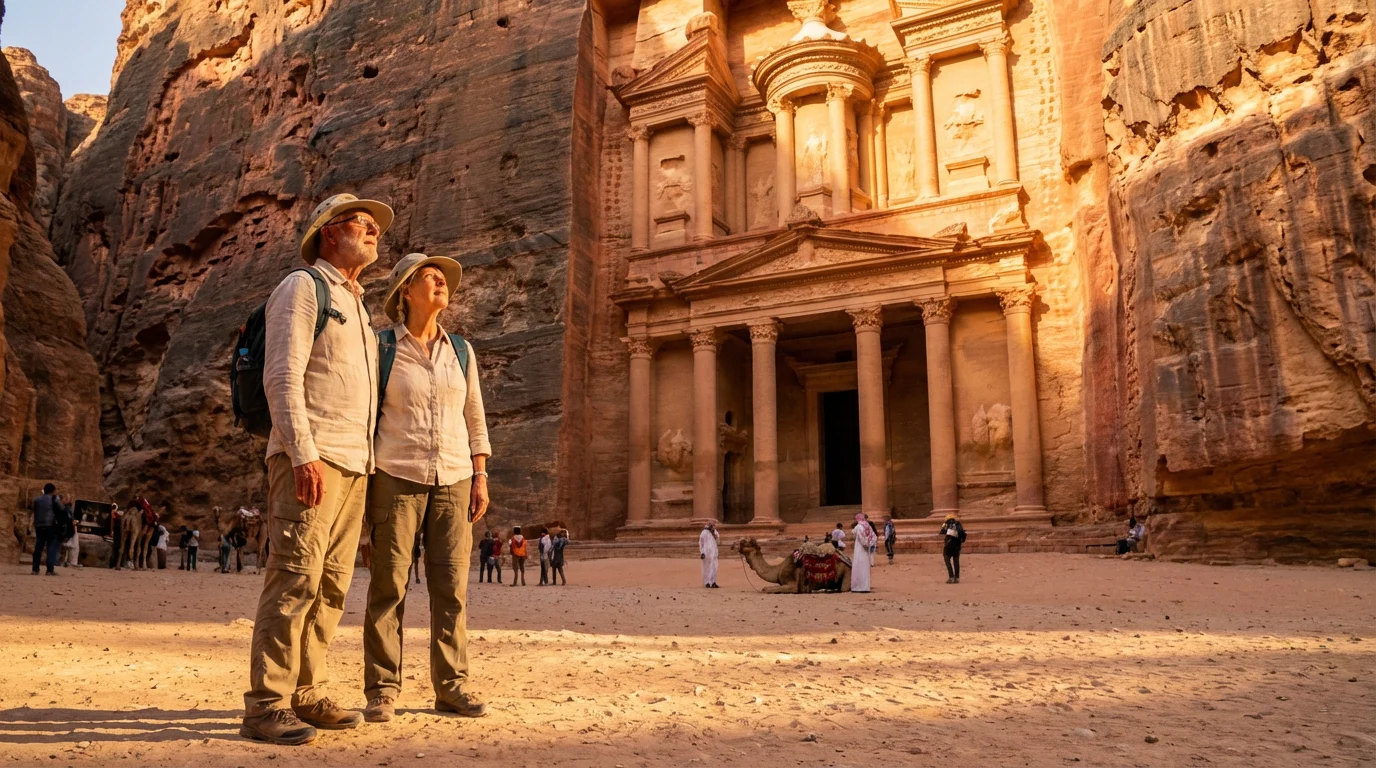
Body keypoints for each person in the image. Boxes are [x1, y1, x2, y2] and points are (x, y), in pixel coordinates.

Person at [242, 193, 393, 746]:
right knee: (295, 577)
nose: (375, 229)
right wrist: (302, 451)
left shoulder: (356, 304)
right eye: (363, 222)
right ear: (330, 232)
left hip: (353, 463)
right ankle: (266, 703)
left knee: (331, 585)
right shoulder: (302, 287)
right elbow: (281, 375)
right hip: (314, 456)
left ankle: (308, 692)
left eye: (376, 225)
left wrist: (369, 467)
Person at [363, 253, 491, 724]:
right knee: (388, 587)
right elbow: (367, 414)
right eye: (429, 277)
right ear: (405, 293)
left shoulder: (461, 349)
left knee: (451, 588)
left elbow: (473, 415)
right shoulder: (381, 348)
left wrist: (480, 474)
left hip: (455, 476)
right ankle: (381, 688)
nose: (441, 282)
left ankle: (451, 686)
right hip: (396, 473)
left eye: (442, 279)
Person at [30, 483, 63, 576]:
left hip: (39, 526)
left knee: (38, 547)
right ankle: (49, 570)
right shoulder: (55, 499)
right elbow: (61, 509)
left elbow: (35, 512)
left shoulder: (37, 500)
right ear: (53, 491)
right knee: (51, 548)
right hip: (51, 526)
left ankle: (35, 569)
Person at [851, 513, 875, 593]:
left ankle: (858, 587)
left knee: (858, 566)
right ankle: (865, 586)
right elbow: (873, 537)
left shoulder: (858, 527)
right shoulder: (868, 526)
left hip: (859, 548)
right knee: (865, 567)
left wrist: (865, 544)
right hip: (866, 549)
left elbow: (860, 537)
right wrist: (869, 544)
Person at [939, 512, 967, 584]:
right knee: (956, 561)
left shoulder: (947, 524)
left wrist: (943, 527)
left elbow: (942, 532)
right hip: (957, 546)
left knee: (947, 560)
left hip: (948, 546)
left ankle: (951, 577)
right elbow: (962, 534)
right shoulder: (958, 525)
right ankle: (956, 578)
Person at [699, 522, 719, 589]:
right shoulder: (704, 532)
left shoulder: (714, 532)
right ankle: (707, 582)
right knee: (706, 567)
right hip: (706, 552)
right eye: (712, 525)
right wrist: (702, 552)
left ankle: (713, 582)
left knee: (714, 567)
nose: (713, 527)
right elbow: (701, 543)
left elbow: (718, 540)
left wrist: (714, 534)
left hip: (713, 552)